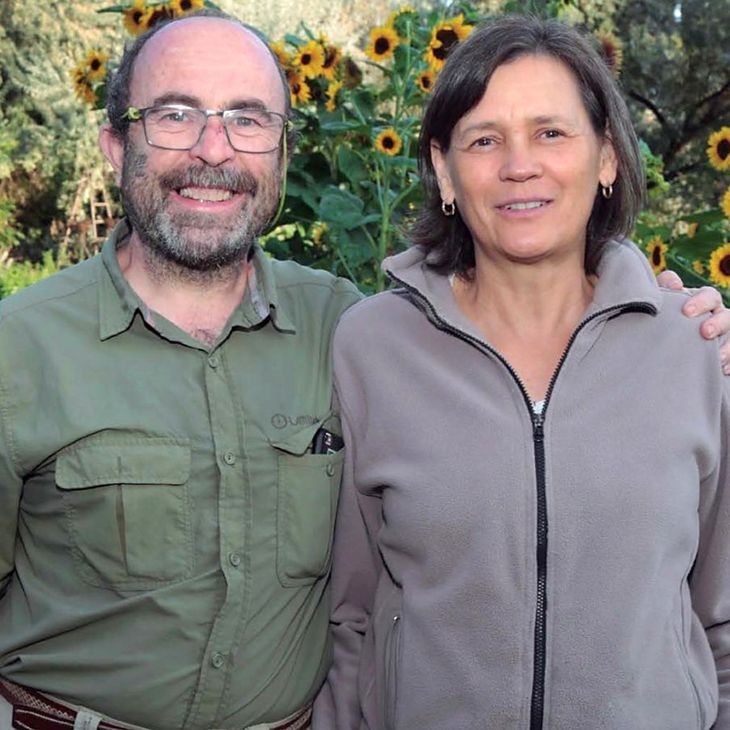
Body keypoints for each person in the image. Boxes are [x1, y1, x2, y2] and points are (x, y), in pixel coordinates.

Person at [313, 15, 730, 730]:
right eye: (484, 140)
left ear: (606, 157)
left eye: (551, 132)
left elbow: (721, 618)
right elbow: (350, 615)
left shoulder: (695, 348)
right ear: (444, 171)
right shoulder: (371, 348)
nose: (518, 165)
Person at [0, 9, 361, 730]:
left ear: (282, 154)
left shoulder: (347, 329)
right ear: (115, 145)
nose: (213, 150)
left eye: (249, 120)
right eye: (175, 114)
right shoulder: (19, 348)